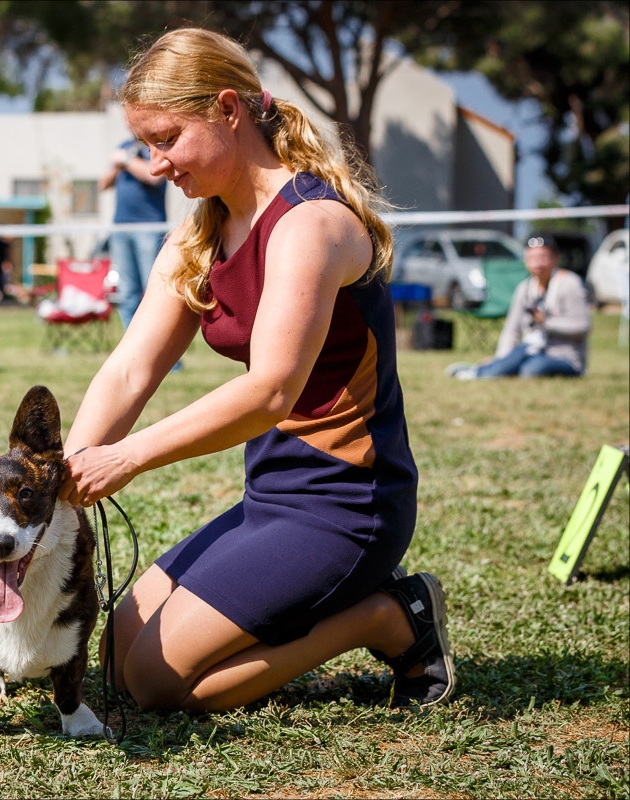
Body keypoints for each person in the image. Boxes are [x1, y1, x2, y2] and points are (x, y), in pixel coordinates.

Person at [57, 28, 455, 714]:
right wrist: (61, 483)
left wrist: (127, 457)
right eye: (146, 146)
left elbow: (271, 389)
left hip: (347, 507)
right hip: (269, 502)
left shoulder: (313, 224)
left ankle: (390, 614)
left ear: (228, 110)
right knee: (117, 655)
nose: (155, 166)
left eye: (167, 139)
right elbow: (129, 371)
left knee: (152, 683)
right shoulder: (199, 234)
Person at [447, 233, 591, 380]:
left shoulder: (570, 284)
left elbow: (582, 326)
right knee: (524, 361)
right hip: (532, 351)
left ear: (555, 259)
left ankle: (477, 372)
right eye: (532, 258)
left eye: (543, 257)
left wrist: (546, 323)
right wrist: (501, 359)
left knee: (530, 369)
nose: (538, 263)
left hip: (565, 358)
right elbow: (512, 329)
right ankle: (484, 370)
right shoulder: (525, 287)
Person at [99, 129, 168, 329]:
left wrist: (127, 160)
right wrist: (118, 163)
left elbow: (155, 177)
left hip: (150, 228)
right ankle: (134, 354)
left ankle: (169, 361)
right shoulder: (124, 147)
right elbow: (102, 184)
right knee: (127, 294)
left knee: (155, 294)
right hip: (120, 228)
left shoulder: (157, 144)